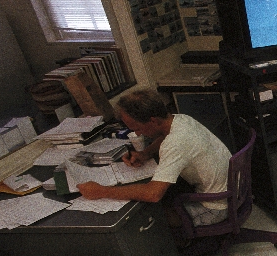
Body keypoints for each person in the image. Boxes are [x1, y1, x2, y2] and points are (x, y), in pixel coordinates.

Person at [77, 89, 231, 226]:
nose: (137, 134)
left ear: (153, 120)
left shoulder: (175, 144)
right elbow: (165, 135)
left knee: (145, 218)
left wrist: (102, 191)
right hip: (231, 191)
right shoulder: (181, 119)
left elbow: (153, 194)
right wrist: (145, 153)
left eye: (137, 128)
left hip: (215, 208)